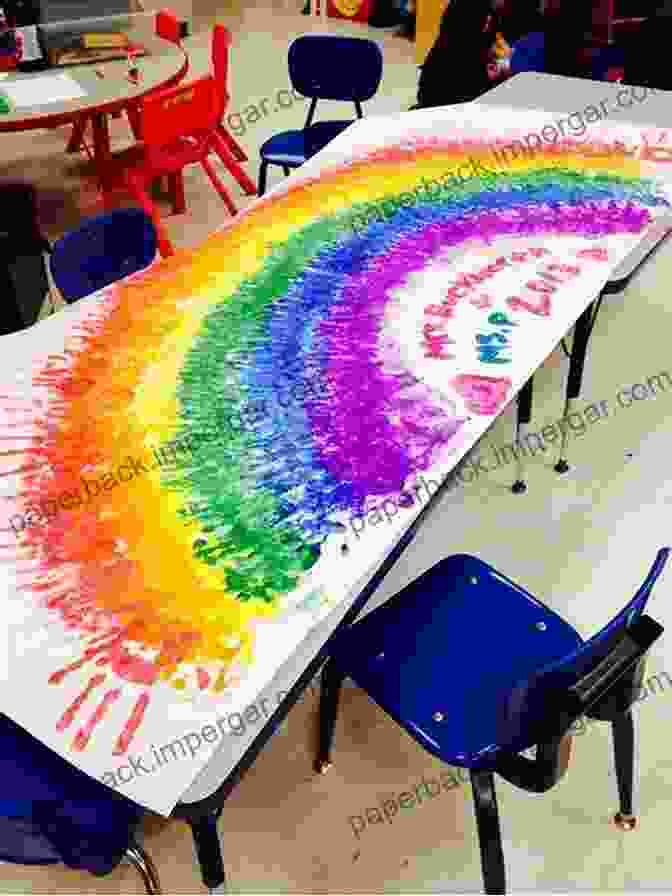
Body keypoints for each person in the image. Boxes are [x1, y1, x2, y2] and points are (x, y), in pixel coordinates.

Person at [415, 0, 503, 109]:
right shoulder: (467, 8)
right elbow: (460, 53)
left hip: (454, 83)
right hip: (445, 90)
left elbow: (481, 48)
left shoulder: (490, 13)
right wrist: (486, 74)